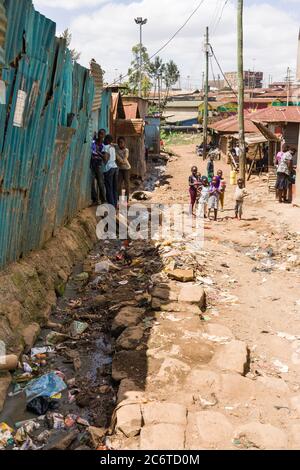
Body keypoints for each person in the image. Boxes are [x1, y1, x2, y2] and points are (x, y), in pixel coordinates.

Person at [90, 129, 107, 204]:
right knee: (91, 182)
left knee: (100, 183)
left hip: (99, 164)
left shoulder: (104, 145)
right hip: (93, 163)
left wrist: (97, 152)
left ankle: (103, 200)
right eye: (99, 134)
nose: (100, 135)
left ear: (104, 135)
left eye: (102, 134)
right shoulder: (94, 142)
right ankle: (95, 199)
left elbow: (104, 157)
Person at [103, 134, 119, 207]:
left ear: (107, 140)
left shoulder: (105, 147)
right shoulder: (112, 147)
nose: (103, 139)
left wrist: (99, 153)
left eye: (104, 138)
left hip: (109, 168)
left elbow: (105, 159)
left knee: (109, 188)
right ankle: (115, 204)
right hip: (115, 168)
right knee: (114, 188)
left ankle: (111, 206)